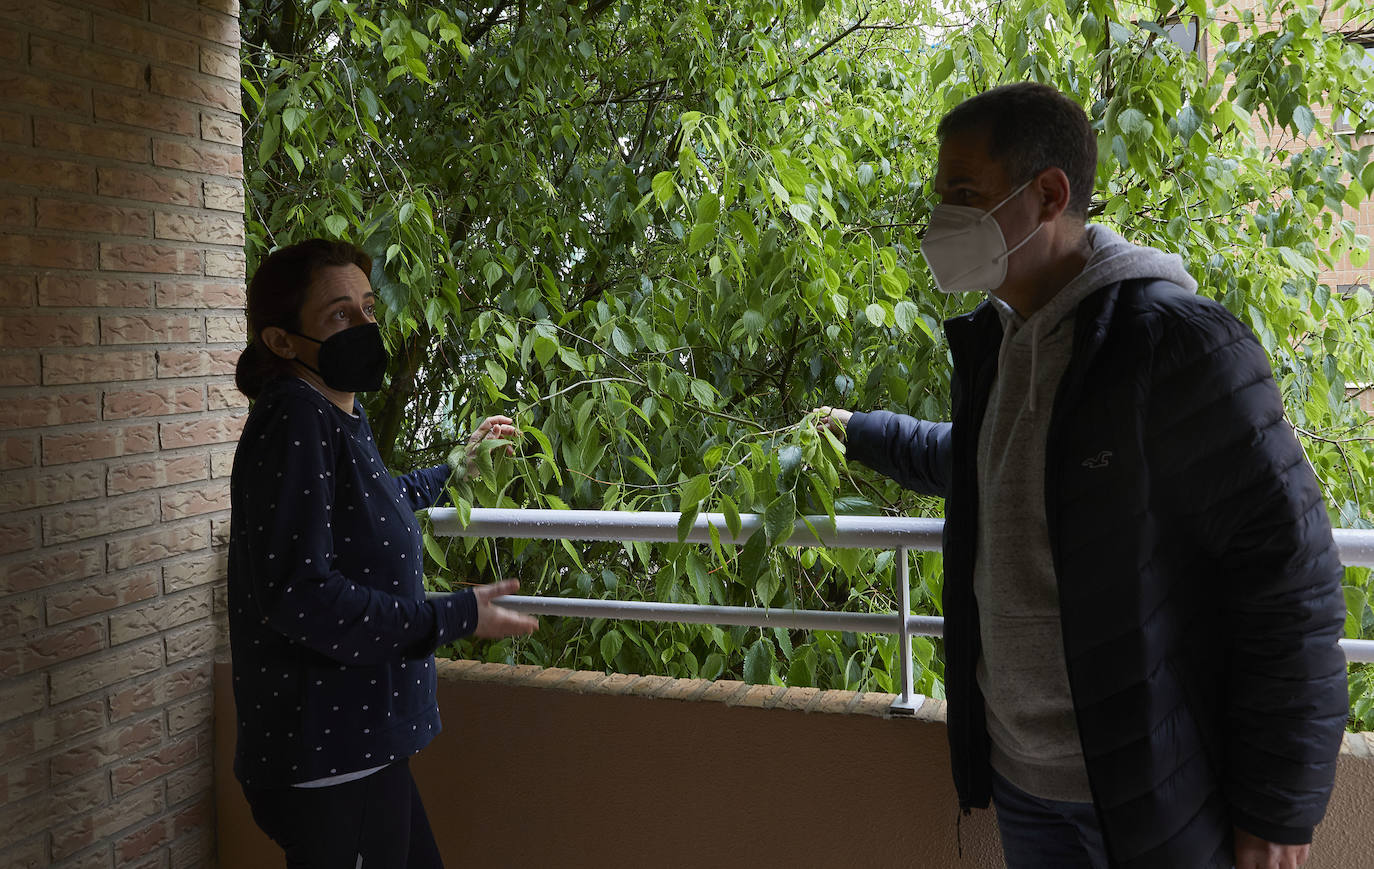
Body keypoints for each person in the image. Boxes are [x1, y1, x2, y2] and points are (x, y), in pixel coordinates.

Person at [816, 83, 1347, 869]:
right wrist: (854, 432)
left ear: (1049, 194)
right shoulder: (1004, 346)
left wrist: (1278, 808)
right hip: (1026, 789)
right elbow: (974, 463)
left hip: (1150, 793)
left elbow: (1292, 580)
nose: (940, 223)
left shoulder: (1175, 348)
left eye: (964, 195)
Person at [228, 238, 537, 868]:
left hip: (357, 751)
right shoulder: (293, 421)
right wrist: (454, 615)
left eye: (369, 309)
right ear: (282, 342)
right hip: (328, 758)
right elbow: (300, 594)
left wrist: (452, 470)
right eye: (340, 315)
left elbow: (366, 505)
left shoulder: (334, 410)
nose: (366, 326)